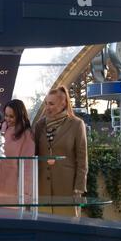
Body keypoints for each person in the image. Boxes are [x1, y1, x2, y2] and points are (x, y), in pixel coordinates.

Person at [33, 86, 88, 216]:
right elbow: (34, 154)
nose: (47, 107)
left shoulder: (76, 124)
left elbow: (82, 159)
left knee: (67, 228)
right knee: (44, 228)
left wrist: (79, 187)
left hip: (67, 188)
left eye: (51, 104)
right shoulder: (39, 125)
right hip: (42, 188)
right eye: (46, 103)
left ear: (63, 103)